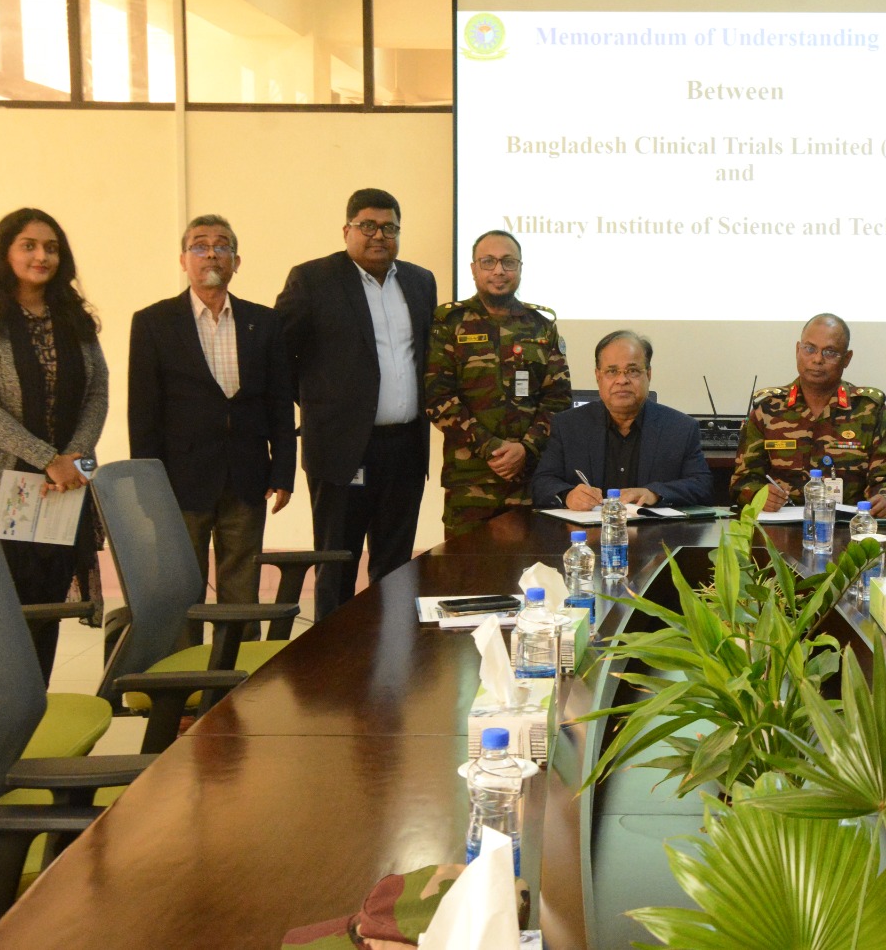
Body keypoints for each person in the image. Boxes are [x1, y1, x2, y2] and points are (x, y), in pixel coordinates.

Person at [0, 208, 107, 683]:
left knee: (45, 610)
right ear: (5, 253)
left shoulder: (73, 319)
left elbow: (97, 393)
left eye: (51, 248)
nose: (41, 256)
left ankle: (34, 712)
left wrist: (74, 460)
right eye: (28, 246)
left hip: (60, 490)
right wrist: (48, 460)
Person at [128, 214, 296, 637]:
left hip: (247, 474)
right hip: (179, 479)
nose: (211, 254)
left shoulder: (264, 322)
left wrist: (283, 471)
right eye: (199, 246)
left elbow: (280, 403)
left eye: (222, 246)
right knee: (182, 587)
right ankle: (184, 671)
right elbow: (143, 412)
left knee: (242, 587)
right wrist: (147, 484)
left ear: (236, 261)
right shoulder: (153, 323)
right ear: (183, 260)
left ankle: (236, 671)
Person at [275, 188, 436, 620]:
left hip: (405, 448)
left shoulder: (420, 281)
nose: (378, 235)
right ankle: (334, 655)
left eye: (389, 227)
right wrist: (322, 407)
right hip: (341, 451)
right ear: (346, 230)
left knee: (395, 565)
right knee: (337, 563)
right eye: (367, 226)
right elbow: (279, 357)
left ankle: (391, 648)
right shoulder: (313, 280)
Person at [425, 230, 572, 537]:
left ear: (520, 267)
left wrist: (526, 448)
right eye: (488, 262)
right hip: (470, 482)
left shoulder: (541, 325)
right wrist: (490, 447)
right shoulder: (450, 323)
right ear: (473, 269)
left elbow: (558, 400)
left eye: (508, 262)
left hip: (530, 478)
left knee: (531, 563)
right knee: (466, 565)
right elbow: (438, 397)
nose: (499, 270)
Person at [730, 313, 886, 517]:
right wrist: (758, 495)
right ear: (797, 350)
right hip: (781, 526)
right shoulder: (767, 409)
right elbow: (742, 481)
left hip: (850, 527)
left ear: (847, 359)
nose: (817, 359)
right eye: (809, 349)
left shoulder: (870, 411)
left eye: (830, 352)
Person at [532, 330, 710, 508]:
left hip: (652, 525)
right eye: (612, 371)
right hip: (590, 526)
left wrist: (655, 493)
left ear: (648, 375)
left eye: (632, 371)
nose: (622, 380)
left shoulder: (680, 428)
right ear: (598, 376)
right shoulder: (568, 426)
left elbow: (702, 486)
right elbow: (542, 482)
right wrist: (568, 495)